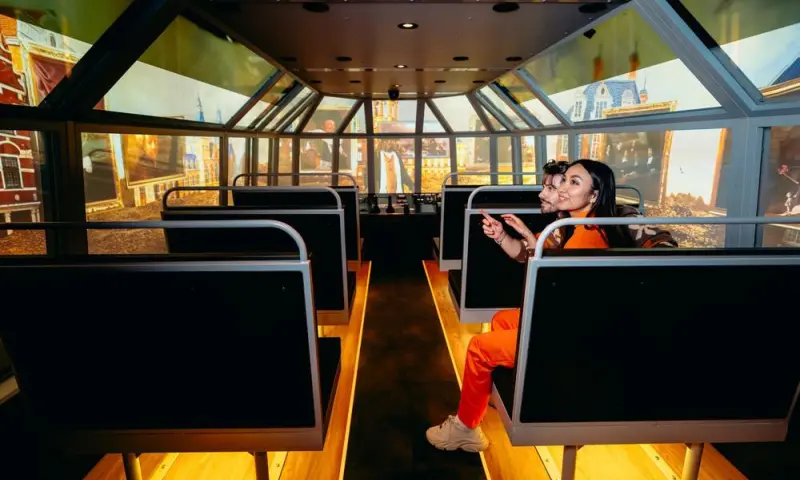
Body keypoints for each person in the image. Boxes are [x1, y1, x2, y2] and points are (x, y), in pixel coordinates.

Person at [425, 159, 673, 452]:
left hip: (575, 335)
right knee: (503, 319)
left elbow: (559, 290)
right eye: (563, 180)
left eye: (573, 183)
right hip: (575, 321)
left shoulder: (591, 233)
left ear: (594, 195)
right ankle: (500, 391)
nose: (561, 188)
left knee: (479, 348)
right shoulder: (572, 226)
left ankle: (466, 428)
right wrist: (507, 235)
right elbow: (538, 259)